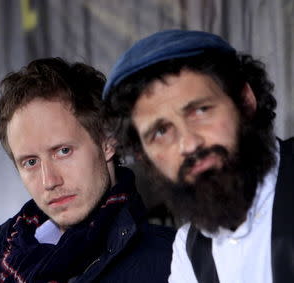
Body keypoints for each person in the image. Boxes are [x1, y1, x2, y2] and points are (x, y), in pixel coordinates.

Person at [102, 29, 294, 283]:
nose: (189, 144)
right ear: (143, 155)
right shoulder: (190, 250)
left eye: (201, 111)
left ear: (245, 101)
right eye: (160, 132)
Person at [0, 57, 175, 283]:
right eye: (31, 162)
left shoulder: (172, 261)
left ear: (107, 142)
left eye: (63, 151)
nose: (49, 181)